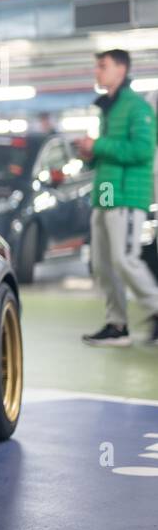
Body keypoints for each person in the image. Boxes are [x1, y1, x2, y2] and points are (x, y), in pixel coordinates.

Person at [77, 49, 158, 347]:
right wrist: (90, 153)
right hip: (107, 192)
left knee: (125, 260)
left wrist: (99, 145)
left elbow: (142, 151)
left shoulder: (137, 108)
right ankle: (116, 325)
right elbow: (106, 154)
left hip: (125, 194)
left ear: (121, 70)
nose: (97, 72)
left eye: (102, 66)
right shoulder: (107, 109)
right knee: (102, 263)